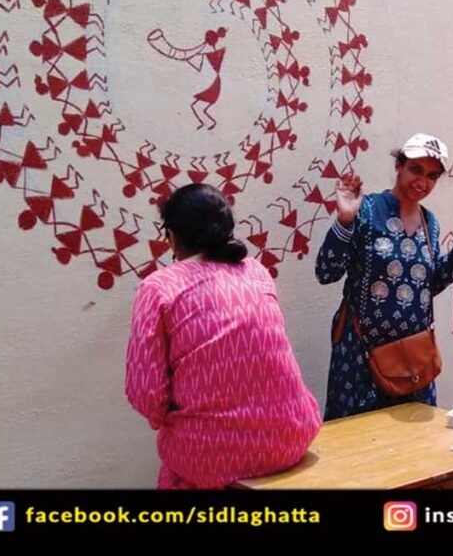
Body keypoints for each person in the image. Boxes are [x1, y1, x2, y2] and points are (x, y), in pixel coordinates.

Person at [125, 183, 322, 489]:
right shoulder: (256, 271)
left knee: (176, 469)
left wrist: (177, 418)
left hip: (210, 456)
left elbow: (145, 394)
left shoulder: (159, 287)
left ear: (172, 237)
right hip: (291, 437)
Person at [315, 133, 453, 420]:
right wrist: (345, 221)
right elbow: (325, 272)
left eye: (432, 176)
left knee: (414, 451)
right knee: (357, 447)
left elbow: (426, 287)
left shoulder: (430, 223)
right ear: (399, 165)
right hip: (361, 359)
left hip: (413, 361)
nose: (422, 182)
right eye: (416, 170)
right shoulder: (367, 210)